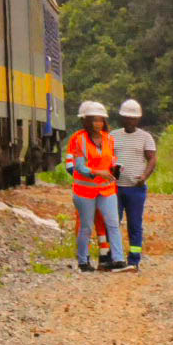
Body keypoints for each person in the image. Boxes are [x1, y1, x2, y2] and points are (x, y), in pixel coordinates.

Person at [66, 102, 129, 271]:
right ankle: (83, 261)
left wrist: (116, 169)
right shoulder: (80, 140)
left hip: (106, 189)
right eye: (94, 120)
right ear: (87, 121)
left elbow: (112, 160)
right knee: (86, 227)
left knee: (113, 223)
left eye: (101, 120)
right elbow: (79, 167)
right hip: (85, 191)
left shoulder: (109, 139)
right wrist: (98, 172)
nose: (98, 123)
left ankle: (118, 259)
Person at [113, 99, 158, 269]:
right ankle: (115, 258)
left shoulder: (145, 137)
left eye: (133, 118)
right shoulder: (112, 136)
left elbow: (152, 158)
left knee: (135, 225)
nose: (129, 121)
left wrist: (144, 176)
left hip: (135, 189)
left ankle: (134, 260)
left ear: (138, 119)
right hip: (115, 188)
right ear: (121, 117)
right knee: (113, 223)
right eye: (126, 117)